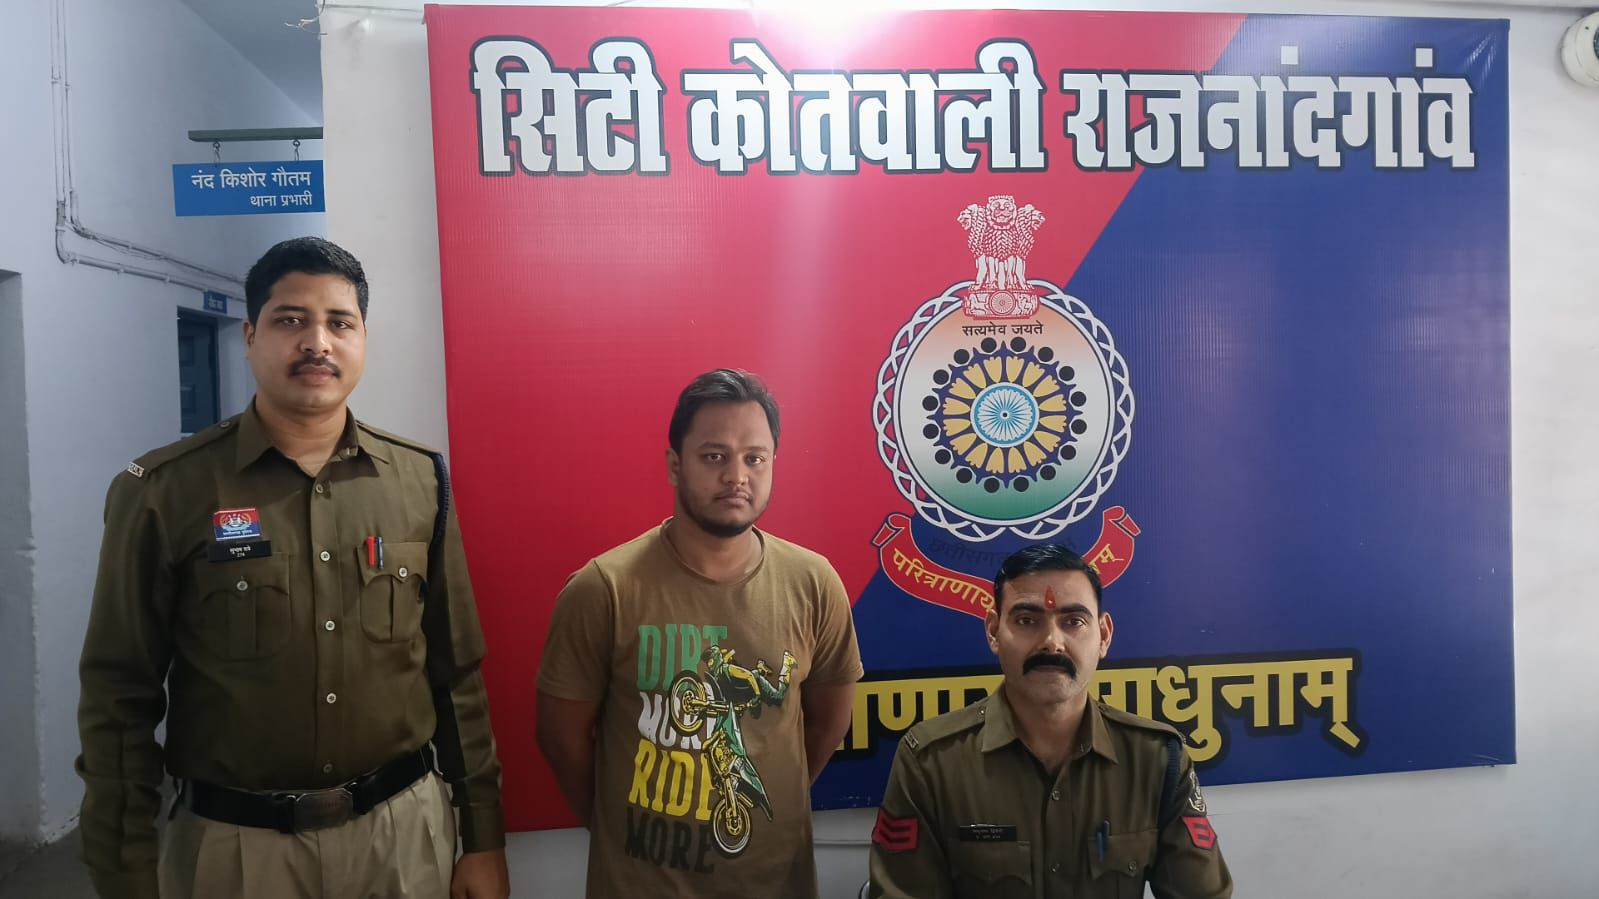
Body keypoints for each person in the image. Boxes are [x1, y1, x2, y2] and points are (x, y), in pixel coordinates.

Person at [76, 237, 509, 899]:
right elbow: (118, 697)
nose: (317, 342)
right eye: (290, 320)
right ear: (250, 336)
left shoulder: (419, 480)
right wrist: (124, 869)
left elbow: (456, 672)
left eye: (340, 322)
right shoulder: (165, 491)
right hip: (237, 851)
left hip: (401, 838)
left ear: (363, 339)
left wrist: (482, 835)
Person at [537, 368, 863, 898]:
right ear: (675, 465)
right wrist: (616, 825)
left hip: (775, 884)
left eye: (754, 458)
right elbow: (560, 738)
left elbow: (829, 722)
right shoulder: (604, 589)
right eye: (714, 456)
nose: (737, 476)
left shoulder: (814, 583)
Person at [868, 543, 1233, 899]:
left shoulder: (1157, 759)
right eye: (1027, 621)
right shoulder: (931, 761)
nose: (1052, 642)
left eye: (1073, 621)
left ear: (1103, 636)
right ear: (993, 631)